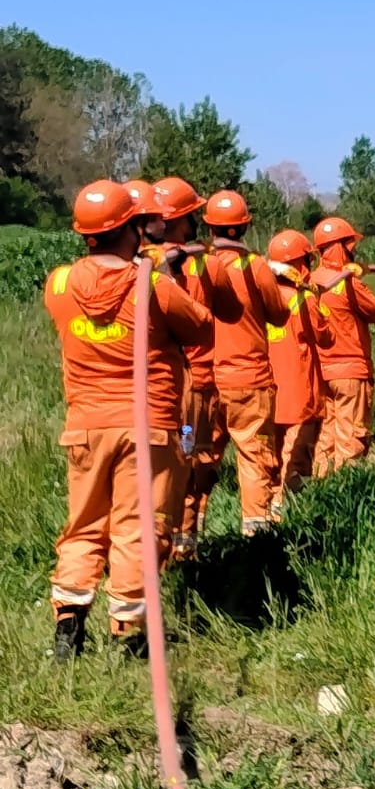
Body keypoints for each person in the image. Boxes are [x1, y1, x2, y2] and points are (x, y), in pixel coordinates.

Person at [44, 180, 211, 660]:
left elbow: (76, 308)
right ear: (134, 228)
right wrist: (167, 274)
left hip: (85, 426)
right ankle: (127, 635)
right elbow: (199, 324)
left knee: (84, 525)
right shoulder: (152, 284)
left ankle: (69, 620)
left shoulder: (59, 283)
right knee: (136, 527)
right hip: (147, 426)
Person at [153, 176, 231, 558]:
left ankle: (166, 549)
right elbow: (229, 312)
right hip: (197, 383)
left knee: (165, 467)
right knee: (195, 466)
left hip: (158, 386)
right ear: (181, 218)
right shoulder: (205, 265)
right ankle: (182, 550)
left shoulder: (139, 265)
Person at [205, 190, 291, 534]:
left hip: (203, 385)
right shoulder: (254, 266)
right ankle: (256, 540)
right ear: (244, 227)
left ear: (209, 227)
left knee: (194, 456)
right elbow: (280, 314)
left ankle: (184, 543)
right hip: (249, 383)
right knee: (256, 457)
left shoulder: (198, 266)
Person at [310, 217, 375, 475]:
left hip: (322, 372)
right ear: (341, 247)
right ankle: (347, 491)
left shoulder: (311, 280)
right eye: (350, 245)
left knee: (327, 435)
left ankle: (321, 487)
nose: (354, 250)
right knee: (351, 436)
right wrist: (357, 280)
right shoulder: (347, 282)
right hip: (351, 372)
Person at [266, 230, 333, 511]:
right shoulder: (304, 300)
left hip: (270, 392)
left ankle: (268, 506)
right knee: (298, 456)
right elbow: (325, 337)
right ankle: (291, 510)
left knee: (271, 455)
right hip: (300, 394)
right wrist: (319, 302)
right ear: (301, 263)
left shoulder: (263, 297)